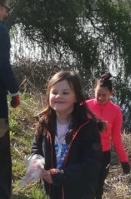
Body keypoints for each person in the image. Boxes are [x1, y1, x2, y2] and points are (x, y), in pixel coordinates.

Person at [31, 71, 104, 199]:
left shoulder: (87, 126)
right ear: (48, 95)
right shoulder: (44, 122)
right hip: (52, 190)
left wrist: (60, 175)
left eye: (65, 93)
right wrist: (37, 162)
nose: (58, 96)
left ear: (76, 97)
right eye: (54, 92)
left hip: (79, 192)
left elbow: (92, 163)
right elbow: (36, 148)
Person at [86, 73, 131, 199]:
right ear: (94, 91)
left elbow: (116, 138)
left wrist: (124, 160)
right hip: (85, 152)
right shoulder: (85, 106)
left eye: (104, 95)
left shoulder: (116, 111)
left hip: (103, 154)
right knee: (86, 184)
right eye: (98, 94)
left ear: (111, 93)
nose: (100, 98)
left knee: (99, 186)